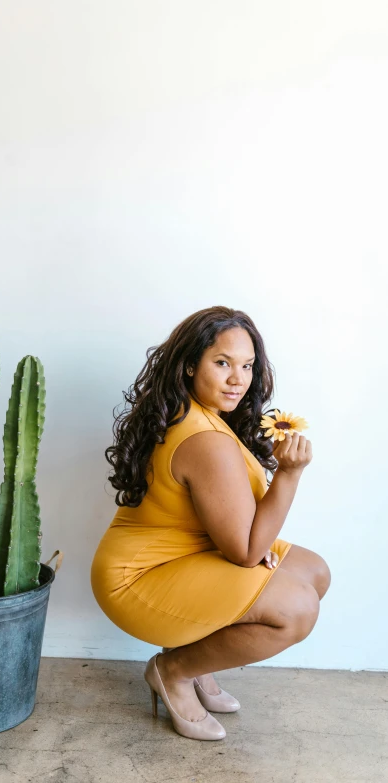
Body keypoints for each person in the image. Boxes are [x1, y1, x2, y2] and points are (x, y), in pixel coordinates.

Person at [90, 306, 331, 741]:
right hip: (136, 580)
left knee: (313, 573)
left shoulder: (204, 416)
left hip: (187, 557)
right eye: (222, 363)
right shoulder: (205, 439)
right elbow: (244, 551)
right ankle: (174, 671)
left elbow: (238, 538)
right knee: (296, 609)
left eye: (247, 365)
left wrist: (255, 558)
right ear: (189, 365)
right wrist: (290, 474)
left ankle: (197, 658)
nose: (238, 378)